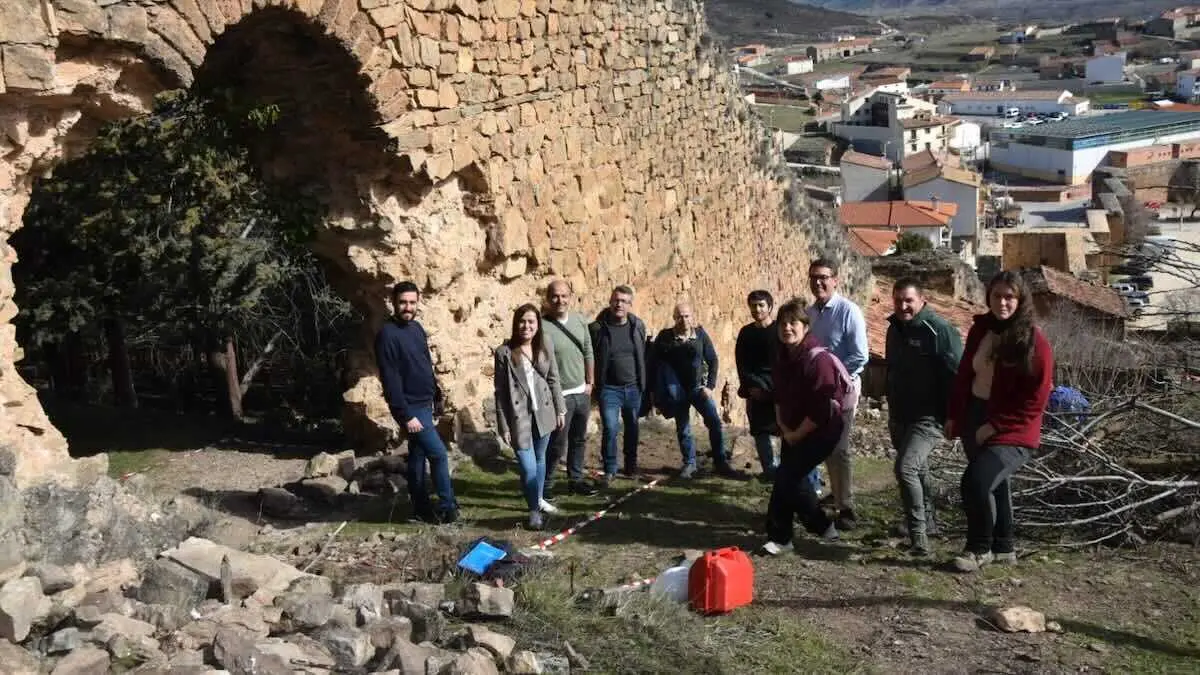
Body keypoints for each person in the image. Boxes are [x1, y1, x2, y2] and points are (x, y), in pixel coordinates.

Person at [945, 270, 1053, 573]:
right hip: (975, 415)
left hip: (1014, 430)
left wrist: (997, 425)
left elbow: (1036, 398)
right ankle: (1004, 547)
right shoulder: (981, 330)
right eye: (997, 296)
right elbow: (966, 374)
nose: (1003, 302)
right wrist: (955, 415)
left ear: (1020, 300)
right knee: (995, 483)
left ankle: (979, 548)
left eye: (1010, 297)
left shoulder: (1034, 342)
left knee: (975, 483)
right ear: (988, 297)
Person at [760, 298, 849, 555]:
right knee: (790, 479)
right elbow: (778, 394)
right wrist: (784, 426)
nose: (787, 328)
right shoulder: (782, 356)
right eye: (782, 323)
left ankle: (781, 538)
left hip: (822, 431)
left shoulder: (817, 360)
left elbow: (822, 409)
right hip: (792, 428)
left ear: (805, 326)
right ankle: (821, 527)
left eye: (793, 323)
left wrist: (796, 434)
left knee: (787, 477)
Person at [885, 278, 963, 556]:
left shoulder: (938, 330)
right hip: (901, 414)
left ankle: (918, 539)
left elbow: (958, 376)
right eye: (898, 300)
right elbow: (892, 370)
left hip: (929, 417)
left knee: (905, 468)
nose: (903, 306)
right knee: (918, 469)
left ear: (922, 301)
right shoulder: (894, 329)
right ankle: (928, 523)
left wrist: (953, 415)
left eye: (908, 300)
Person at [375, 281, 459, 523]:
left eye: (412, 302)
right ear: (393, 302)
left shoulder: (417, 328)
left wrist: (437, 398)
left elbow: (425, 366)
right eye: (403, 302)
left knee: (417, 456)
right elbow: (390, 380)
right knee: (439, 455)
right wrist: (405, 415)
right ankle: (447, 508)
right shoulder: (387, 336)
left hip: (424, 403)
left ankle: (421, 509)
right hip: (411, 408)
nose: (407, 307)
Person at [736, 290, 824, 490]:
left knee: (795, 435)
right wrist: (751, 386)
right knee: (760, 431)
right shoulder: (746, 333)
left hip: (780, 389)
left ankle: (812, 479)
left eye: (761, 305)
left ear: (770, 307)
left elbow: (784, 361)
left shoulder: (781, 331)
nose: (757, 309)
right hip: (757, 388)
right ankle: (771, 472)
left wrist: (778, 388)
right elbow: (741, 363)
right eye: (753, 305)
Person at [806, 257, 867, 530]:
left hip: (843, 392)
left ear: (835, 280)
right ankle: (835, 494)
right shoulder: (810, 313)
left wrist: (835, 380)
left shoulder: (848, 311)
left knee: (839, 448)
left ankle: (847, 508)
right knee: (825, 447)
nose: (818, 282)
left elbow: (860, 355)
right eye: (814, 277)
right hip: (819, 393)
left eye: (824, 277)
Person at [493, 304, 566, 530]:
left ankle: (539, 499)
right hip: (519, 417)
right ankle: (534, 511)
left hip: (543, 413)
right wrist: (503, 425)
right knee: (528, 467)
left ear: (538, 324)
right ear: (516, 324)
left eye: (531, 322)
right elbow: (500, 392)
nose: (526, 326)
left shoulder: (546, 345)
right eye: (522, 321)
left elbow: (554, 379)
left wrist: (560, 409)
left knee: (541, 458)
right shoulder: (504, 352)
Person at [653, 302, 738, 478]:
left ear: (692, 316)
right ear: (674, 318)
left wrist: (710, 386)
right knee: (683, 428)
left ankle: (720, 462)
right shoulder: (666, 337)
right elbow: (655, 364)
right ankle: (689, 464)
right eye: (680, 316)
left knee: (714, 422)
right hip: (676, 391)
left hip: (698, 389)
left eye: (687, 316)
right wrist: (658, 394)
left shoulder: (700, 335)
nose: (684, 320)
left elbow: (713, 359)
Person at [541, 280, 599, 497]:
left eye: (564, 296)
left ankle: (575, 480)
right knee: (556, 444)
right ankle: (546, 486)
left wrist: (590, 382)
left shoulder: (579, 321)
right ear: (548, 298)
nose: (560, 300)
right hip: (560, 396)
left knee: (579, 439)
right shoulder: (542, 326)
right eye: (555, 296)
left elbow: (588, 351)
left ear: (570, 297)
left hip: (581, 391)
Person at [589, 285, 650, 485]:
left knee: (632, 428)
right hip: (609, 389)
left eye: (624, 301)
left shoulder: (637, 326)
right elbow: (588, 356)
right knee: (610, 428)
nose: (619, 304)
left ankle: (631, 466)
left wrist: (643, 384)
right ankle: (610, 469)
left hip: (633, 387)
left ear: (630, 305)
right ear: (610, 301)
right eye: (616, 300)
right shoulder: (598, 328)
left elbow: (643, 355)